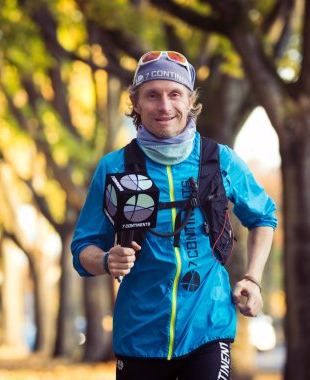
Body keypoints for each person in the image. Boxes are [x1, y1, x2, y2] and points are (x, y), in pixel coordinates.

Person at [71, 51, 277, 380]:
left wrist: (253, 279)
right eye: (152, 95)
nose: (165, 106)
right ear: (136, 103)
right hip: (139, 334)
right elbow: (83, 248)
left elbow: (264, 217)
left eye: (174, 94)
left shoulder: (220, 160)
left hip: (208, 326)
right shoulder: (114, 167)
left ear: (190, 101)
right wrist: (108, 259)